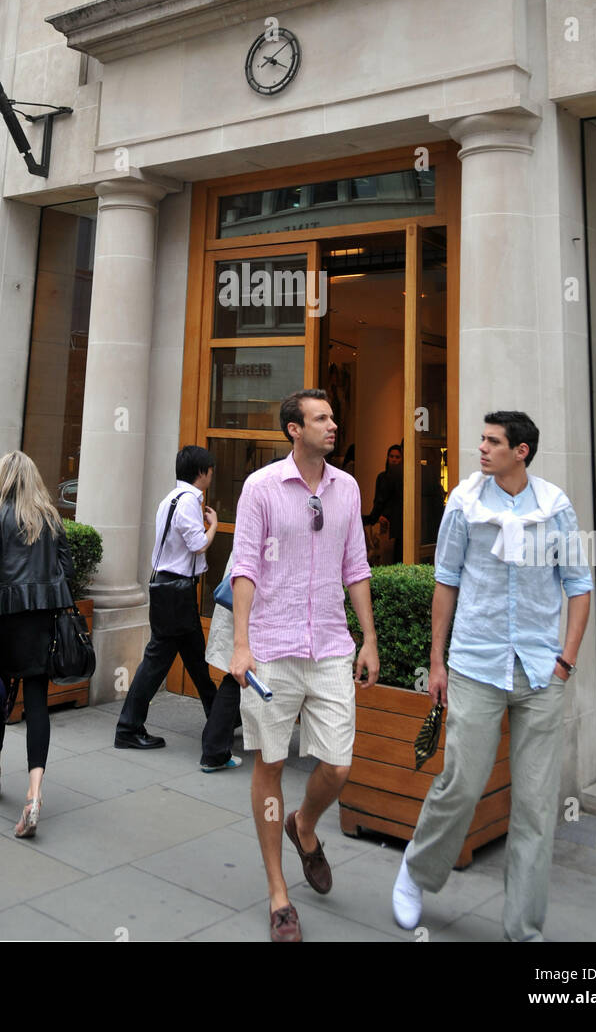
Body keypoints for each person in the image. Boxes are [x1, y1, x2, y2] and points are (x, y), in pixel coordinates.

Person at [392, 411, 592, 943]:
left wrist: (565, 660)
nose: (481, 448)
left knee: (535, 806)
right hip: (477, 665)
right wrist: (437, 662)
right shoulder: (463, 503)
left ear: (521, 451)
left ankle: (523, 929)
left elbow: (578, 584)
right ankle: (416, 871)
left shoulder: (556, 508)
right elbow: (445, 581)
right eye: (481, 439)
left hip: (540, 673)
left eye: (493, 441)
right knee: (461, 786)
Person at [230, 388, 379, 943]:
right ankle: (278, 895)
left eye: (333, 416)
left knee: (337, 765)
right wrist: (241, 646)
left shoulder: (347, 487)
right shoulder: (261, 487)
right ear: (294, 429)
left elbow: (356, 566)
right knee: (269, 765)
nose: (332, 424)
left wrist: (368, 638)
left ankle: (305, 825)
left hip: (332, 646)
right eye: (320, 418)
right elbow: (243, 566)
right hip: (271, 645)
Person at [0, 451, 76, 839]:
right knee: (36, 702)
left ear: (0, 478)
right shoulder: (50, 518)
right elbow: (66, 570)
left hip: (3, 618)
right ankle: (34, 794)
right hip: (41, 620)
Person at [115, 445, 219, 749]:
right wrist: (213, 527)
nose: (212, 474)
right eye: (210, 469)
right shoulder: (187, 502)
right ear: (201, 472)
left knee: (196, 659)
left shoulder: (170, 499)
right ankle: (127, 728)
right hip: (176, 591)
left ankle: (221, 716)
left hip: (170, 589)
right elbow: (198, 544)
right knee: (157, 661)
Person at [199, 554, 242, 772]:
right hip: (252, 610)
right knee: (237, 678)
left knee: (237, 678)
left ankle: (219, 737)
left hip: (243, 606)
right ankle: (214, 750)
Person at [364, 443, 404, 562]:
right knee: (381, 556)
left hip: (396, 520)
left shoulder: (404, 477)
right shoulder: (382, 477)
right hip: (382, 519)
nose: (394, 460)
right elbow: (378, 499)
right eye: (391, 456)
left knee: (391, 555)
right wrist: (376, 517)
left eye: (397, 457)